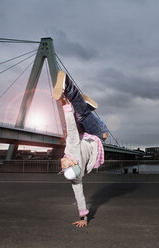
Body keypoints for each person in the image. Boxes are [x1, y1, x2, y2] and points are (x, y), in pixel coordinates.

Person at [52, 70, 108, 228]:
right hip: (97, 135)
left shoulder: (75, 176)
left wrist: (83, 218)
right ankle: (68, 85)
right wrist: (64, 105)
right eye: (66, 165)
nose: (62, 165)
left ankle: (86, 106)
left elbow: (79, 194)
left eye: (62, 168)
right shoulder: (72, 150)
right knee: (81, 116)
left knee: (78, 119)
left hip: (83, 135)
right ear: (73, 163)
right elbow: (71, 128)